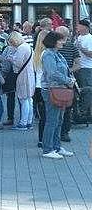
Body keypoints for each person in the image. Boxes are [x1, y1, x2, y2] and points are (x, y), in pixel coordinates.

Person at [39, 31, 76, 159]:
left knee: (58, 120)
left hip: (60, 89)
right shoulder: (49, 54)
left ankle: (56, 146)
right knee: (52, 120)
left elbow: (64, 70)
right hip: (51, 89)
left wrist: (69, 80)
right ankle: (48, 149)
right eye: (60, 40)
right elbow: (52, 73)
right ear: (54, 41)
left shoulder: (57, 54)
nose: (63, 42)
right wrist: (68, 80)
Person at [6, 31, 35, 130]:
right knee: (29, 99)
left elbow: (18, 63)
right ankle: (29, 122)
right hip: (29, 74)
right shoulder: (27, 46)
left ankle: (23, 123)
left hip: (23, 76)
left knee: (23, 99)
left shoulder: (21, 48)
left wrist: (11, 58)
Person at [56, 25, 80, 142]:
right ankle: (60, 132)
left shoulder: (72, 46)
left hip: (67, 82)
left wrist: (67, 70)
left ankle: (64, 132)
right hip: (58, 81)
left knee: (67, 107)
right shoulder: (54, 46)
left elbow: (78, 64)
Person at [75, 19, 92, 125]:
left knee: (87, 90)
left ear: (84, 27)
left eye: (79, 26)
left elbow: (91, 54)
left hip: (87, 68)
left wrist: (80, 48)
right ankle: (80, 112)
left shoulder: (90, 38)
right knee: (79, 90)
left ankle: (85, 113)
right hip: (78, 67)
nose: (77, 28)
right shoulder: (79, 37)